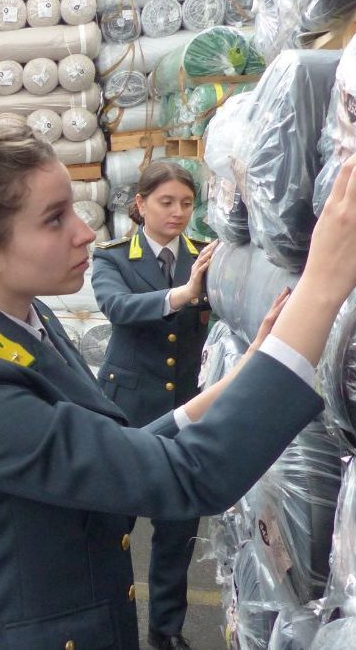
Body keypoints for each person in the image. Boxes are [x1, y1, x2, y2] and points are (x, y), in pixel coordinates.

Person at [0, 123, 356, 649]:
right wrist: (324, 283)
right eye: (54, 219)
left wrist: (245, 373)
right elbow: (189, 476)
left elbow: (116, 452)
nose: (83, 232)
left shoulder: (21, 322)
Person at [90, 162, 214, 650]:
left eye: (187, 203)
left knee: (177, 527)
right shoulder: (115, 258)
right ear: (140, 204)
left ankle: (166, 632)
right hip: (129, 409)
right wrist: (183, 295)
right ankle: (105, 625)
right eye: (167, 202)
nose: (179, 213)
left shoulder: (207, 257)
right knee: (111, 524)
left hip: (187, 411)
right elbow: (117, 308)